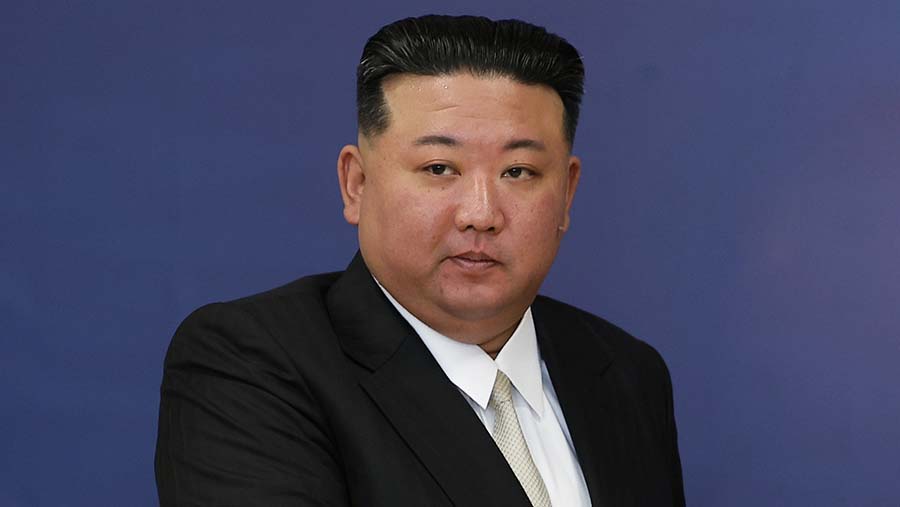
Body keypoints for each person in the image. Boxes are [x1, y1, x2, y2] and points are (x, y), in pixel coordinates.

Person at [155, 14, 685, 506]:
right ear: (356, 183)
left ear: (567, 193)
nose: (480, 214)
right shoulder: (251, 364)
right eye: (438, 168)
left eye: (518, 172)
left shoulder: (627, 375)